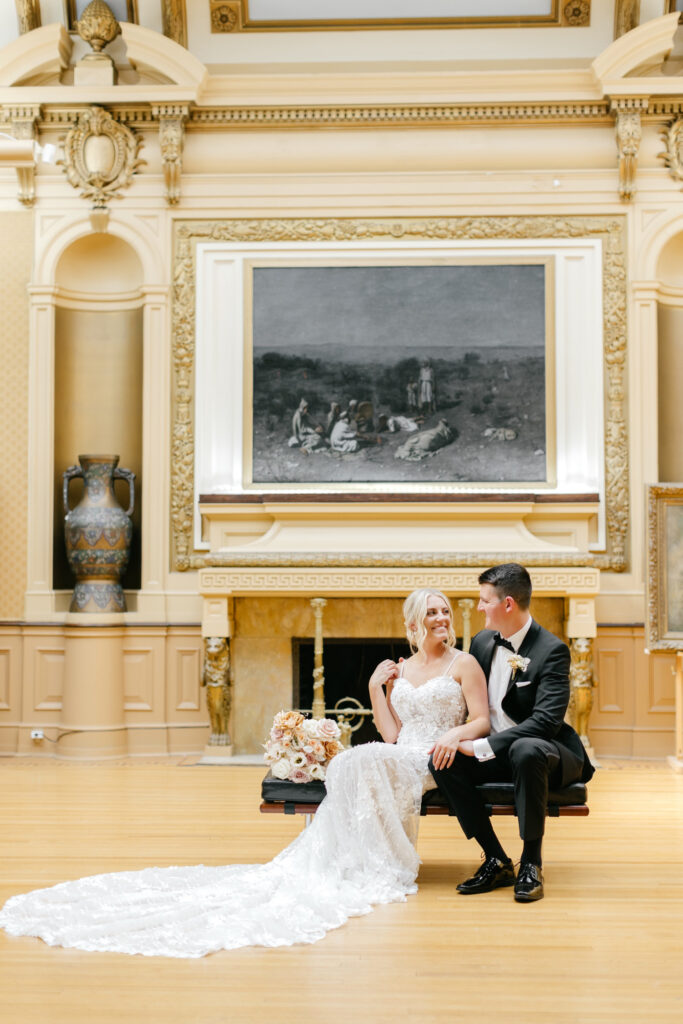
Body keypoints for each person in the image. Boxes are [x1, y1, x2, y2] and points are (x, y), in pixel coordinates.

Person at [0, 589, 489, 958]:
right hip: (399, 753)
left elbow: (483, 718)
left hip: (434, 759)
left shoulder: (464, 663)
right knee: (354, 757)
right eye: (432, 611)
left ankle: (378, 862)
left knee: (357, 758)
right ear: (413, 622)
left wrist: (453, 737)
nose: (442, 618)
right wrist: (374, 687)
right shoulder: (399, 670)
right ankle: (354, 863)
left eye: (445, 610)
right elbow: (389, 734)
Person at [429, 562, 595, 904]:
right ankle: (496, 859)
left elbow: (545, 722)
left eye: (484, 600)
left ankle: (531, 863)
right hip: (494, 750)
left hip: (545, 752)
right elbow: (460, 691)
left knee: (527, 749)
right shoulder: (482, 643)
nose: (478, 607)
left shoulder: (552, 650)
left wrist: (484, 746)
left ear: (507, 604)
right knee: (441, 760)